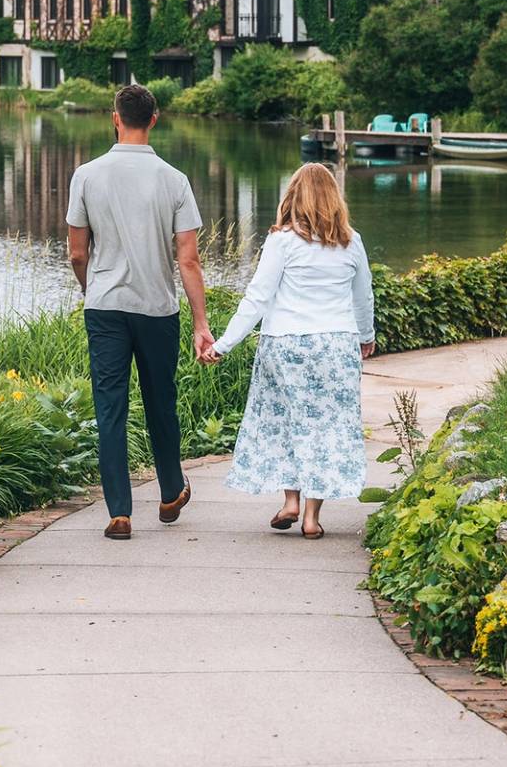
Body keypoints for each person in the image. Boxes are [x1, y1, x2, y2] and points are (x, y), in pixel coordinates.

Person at [66, 83, 212, 540]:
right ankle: (170, 492)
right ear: (154, 119)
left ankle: (120, 513)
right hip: (157, 309)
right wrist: (202, 323)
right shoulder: (174, 180)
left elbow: (75, 252)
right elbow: (187, 259)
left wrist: (93, 289)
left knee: (110, 407)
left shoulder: (87, 175)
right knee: (159, 402)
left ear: (115, 117)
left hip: (105, 307)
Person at [203, 162, 374, 539]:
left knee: (285, 420)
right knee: (326, 428)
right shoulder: (350, 241)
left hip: (286, 343)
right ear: (334, 199)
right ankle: (312, 517)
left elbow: (257, 297)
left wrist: (223, 344)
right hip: (335, 344)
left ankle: (290, 500)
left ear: (292, 197)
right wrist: (366, 335)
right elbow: (362, 296)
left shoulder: (281, 241)